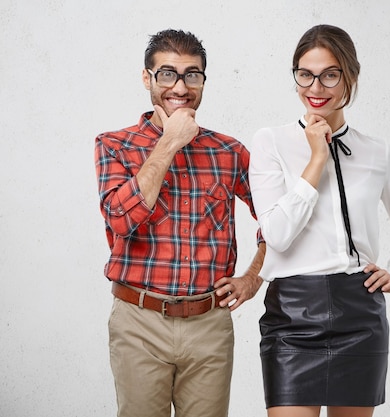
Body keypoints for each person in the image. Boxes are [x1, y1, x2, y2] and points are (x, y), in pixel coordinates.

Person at [249, 24, 390, 417]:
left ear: (351, 77)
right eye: (305, 74)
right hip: (292, 314)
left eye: (330, 74)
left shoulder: (377, 152)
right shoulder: (270, 143)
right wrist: (316, 159)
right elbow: (276, 235)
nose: (316, 86)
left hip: (360, 313)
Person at [94, 29, 265, 417]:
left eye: (192, 74)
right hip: (139, 322)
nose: (181, 86)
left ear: (203, 80)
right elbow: (120, 220)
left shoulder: (229, 152)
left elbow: (281, 220)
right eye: (167, 73)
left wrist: (253, 276)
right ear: (147, 79)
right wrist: (168, 143)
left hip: (209, 325)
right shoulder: (114, 145)